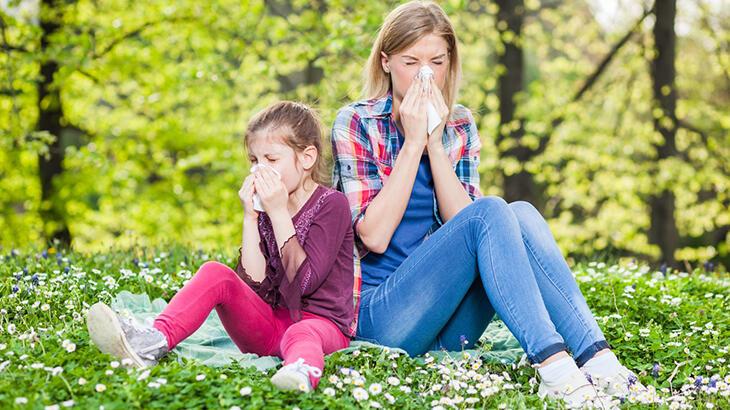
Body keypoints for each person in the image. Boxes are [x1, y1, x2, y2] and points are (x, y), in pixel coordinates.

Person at [330, 1, 644, 406]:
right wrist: (412, 143)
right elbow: (372, 236)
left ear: (450, 63)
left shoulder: (458, 123)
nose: (425, 74)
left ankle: (597, 359)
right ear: (386, 62)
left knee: (520, 215)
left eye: (436, 62)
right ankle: (552, 363)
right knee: (495, 210)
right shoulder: (357, 122)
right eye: (411, 62)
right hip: (382, 317)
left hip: (445, 322)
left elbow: (473, 229)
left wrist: (435, 143)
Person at [87, 101, 355, 392]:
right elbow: (255, 286)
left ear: (307, 158)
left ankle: (300, 372)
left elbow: (303, 283)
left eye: (271, 159)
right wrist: (251, 217)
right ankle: (152, 342)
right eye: (254, 160)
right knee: (216, 272)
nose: (260, 169)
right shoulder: (266, 209)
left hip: (321, 328)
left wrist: (278, 212)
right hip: (270, 329)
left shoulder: (332, 205)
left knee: (302, 332)